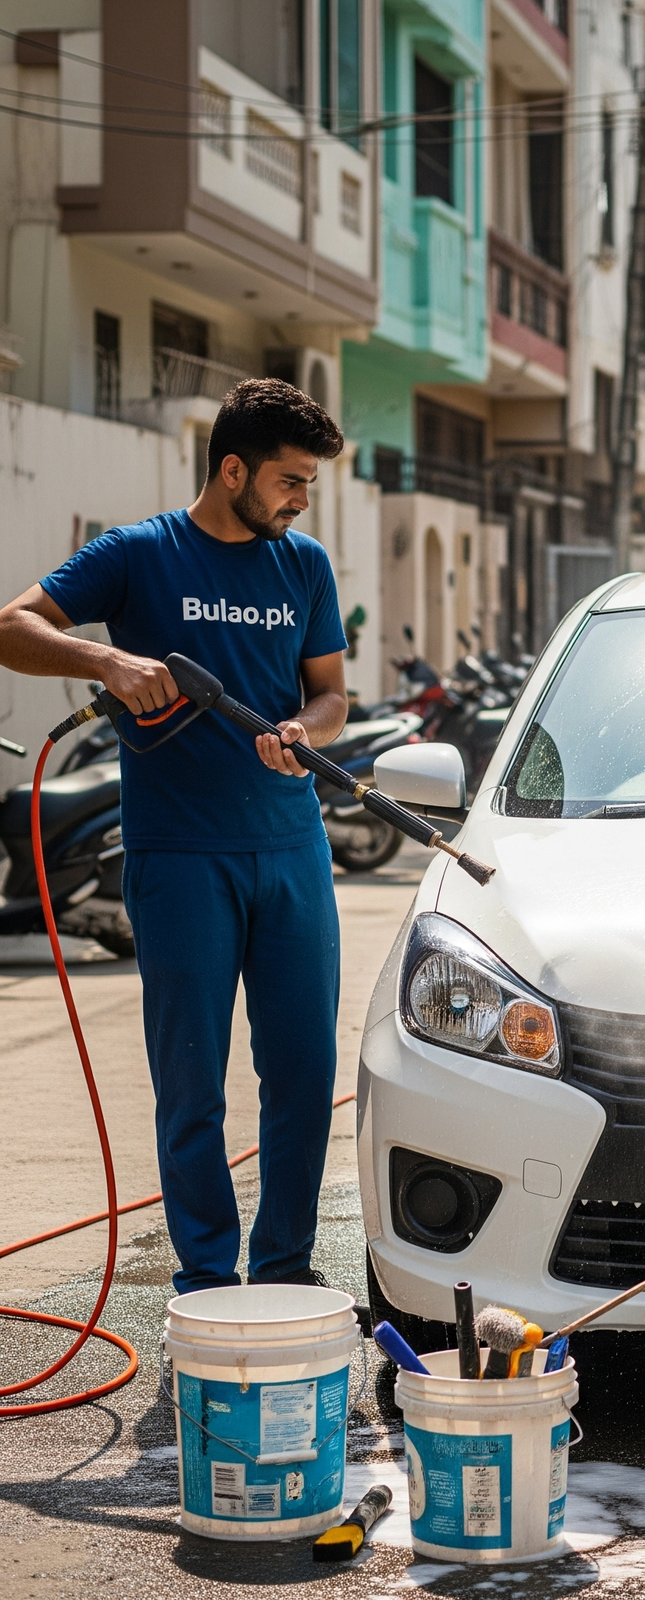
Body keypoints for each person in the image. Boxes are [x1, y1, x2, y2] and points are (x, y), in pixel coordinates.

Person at [0, 379, 350, 1293]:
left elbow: (332, 694)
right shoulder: (136, 554)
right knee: (191, 1085)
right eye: (288, 480)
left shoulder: (304, 564)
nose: (300, 499)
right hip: (178, 857)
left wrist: (308, 729)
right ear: (231, 468)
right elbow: (12, 625)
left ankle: (282, 1272)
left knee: (305, 1080)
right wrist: (106, 660)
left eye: (308, 484)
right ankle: (204, 1276)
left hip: (291, 851)